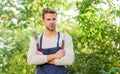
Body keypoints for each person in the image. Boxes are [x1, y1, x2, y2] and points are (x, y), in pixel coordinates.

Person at [27, 7, 75, 74]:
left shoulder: (65, 37)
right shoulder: (35, 39)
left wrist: (42, 58)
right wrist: (55, 56)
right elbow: (30, 60)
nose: (52, 22)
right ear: (43, 21)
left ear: (56, 20)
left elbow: (69, 60)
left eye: (53, 19)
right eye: (48, 19)